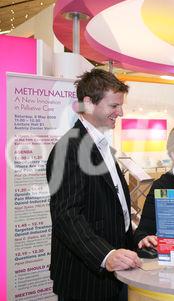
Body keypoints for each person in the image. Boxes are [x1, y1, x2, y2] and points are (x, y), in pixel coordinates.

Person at [46, 69, 141, 301]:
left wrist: (137, 240)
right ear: (88, 104)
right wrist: (105, 256)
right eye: (114, 106)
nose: (121, 112)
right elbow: (66, 216)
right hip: (86, 279)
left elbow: (111, 207)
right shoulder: (67, 149)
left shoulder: (102, 145)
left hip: (116, 273)